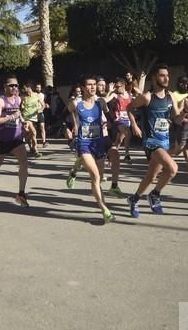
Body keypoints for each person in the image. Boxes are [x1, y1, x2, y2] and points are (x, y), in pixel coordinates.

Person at [126, 64, 179, 217]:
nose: (166, 78)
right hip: (151, 142)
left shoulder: (170, 97)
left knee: (151, 176)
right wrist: (134, 125)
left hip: (164, 142)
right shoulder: (147, 97)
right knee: (172, 168)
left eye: (167, 75)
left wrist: (186, 112)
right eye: (162, 75)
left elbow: (176, 117)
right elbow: (129, 108)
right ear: (154, 78)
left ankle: (134, 199)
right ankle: (155, 194)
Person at [69, 75, 117, 223]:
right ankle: (104, 209)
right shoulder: (77, 104)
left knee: (100, 178)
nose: (92, 87)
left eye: (94, 84)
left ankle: (75, 169)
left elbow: (110, 118)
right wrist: (71, 127)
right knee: (95, 177)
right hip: (84, 144)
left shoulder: (100, 102)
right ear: (83, 88)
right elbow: (66, 115)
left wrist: (110, 125)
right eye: (89, 85)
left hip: (99, 144)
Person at [0, 75, 30, 207]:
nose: (14, 87)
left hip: (16, 138)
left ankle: (21, 194)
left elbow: (18, 113)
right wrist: (10, 117)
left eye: (16, 85)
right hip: (1, 139)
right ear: (5, 87)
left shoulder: (18, 99)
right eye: (11, 85)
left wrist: (23, 122)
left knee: (24, 162)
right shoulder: (1, 101)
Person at [20, 82, 42, 158]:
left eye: (25, 88)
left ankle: (31, 148)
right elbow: (18, 107)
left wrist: (40, 110)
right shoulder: (23, 97)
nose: (24, 90)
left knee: (29, 134)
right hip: (26, 117)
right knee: (34, 132)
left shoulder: (36, 95)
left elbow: (43, 104)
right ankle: (36, 150)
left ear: (29, 87)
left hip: (34, 117)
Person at [34, 83, 48, 148]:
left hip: (41, 113)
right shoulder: (33, 95)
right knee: (34, 128)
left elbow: (44, 103)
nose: (38, 89)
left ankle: (44, 141)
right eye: (37, 87)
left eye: (39, 87)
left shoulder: (43, 95)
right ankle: (35, 142)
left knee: (42, 127)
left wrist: (44, 107)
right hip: (34, 113)